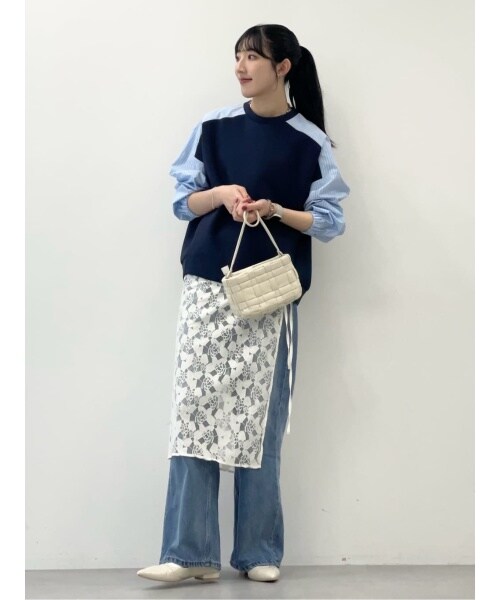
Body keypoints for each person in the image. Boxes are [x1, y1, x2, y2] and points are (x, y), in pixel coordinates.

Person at [137, 23, 350, 585]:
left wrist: (275, 210)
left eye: (252, 57)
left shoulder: (311, 142)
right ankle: (189, 553)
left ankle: (258, 551)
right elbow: (183, 201)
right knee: (193, 414)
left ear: (283, 67)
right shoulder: (214, 127)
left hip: (268, 295)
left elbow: (330, 221)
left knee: (260, 422)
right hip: (207, 285)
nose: (240, 67)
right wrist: (222, 194)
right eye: (237, 56)